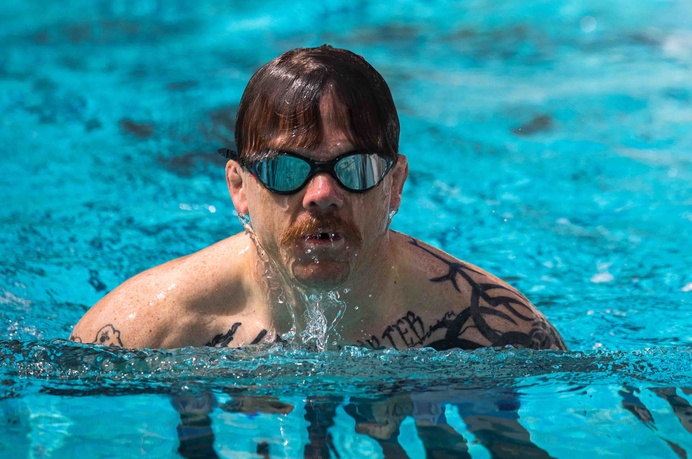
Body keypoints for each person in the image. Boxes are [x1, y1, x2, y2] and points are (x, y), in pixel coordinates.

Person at [70, 45, 565, 352]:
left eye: (355, 168)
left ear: (394, 184)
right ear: (239, 188)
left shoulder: (495, 327)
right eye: (287, 170)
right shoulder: (144, 327)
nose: (323, 195)